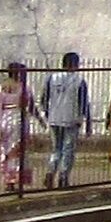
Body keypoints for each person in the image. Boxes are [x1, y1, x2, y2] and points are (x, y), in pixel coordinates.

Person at [39, 52, 95, 189]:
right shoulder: (79, 80)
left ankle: (51, 171)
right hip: (71, 119)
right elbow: (83, 103)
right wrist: (87, 121)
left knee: (56, 149)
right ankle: (63, 176)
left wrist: (47, 114)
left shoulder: (51, 78)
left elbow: (43, 99)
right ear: (75, 65)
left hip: (54, 118)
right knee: (68, 149)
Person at [0, 62, 31, 198]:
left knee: (4, 150)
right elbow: (28, 105)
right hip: (17, 119)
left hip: (2, 120)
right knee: (17, 151)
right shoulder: (23, 88)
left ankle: (8, 180)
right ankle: (16, 178)